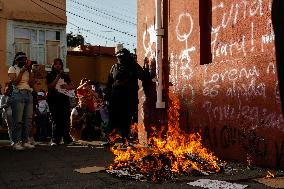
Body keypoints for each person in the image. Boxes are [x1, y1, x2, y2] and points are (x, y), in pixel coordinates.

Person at [105, 48, 149, 146]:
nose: (120, 59)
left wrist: (146, 67)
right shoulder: (114, 67)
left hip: (128, 97)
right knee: (113, 119)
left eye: (122, 57)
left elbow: (143, 77)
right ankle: (110, 140)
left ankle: (126, 140)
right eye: (118, 57)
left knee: (126, 119)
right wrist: (107, 97)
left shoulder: (133, 66)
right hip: (115, 97)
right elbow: (109, 83)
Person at [7, 52, 35, 150]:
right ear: (16, 60)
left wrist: (30, 71)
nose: (24, 60)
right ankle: (16, 142)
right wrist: (22, 71)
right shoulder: (13, 68)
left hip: (28, 94)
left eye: (25, 59)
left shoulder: (27, 70)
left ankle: (25, 141)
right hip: (18, 93)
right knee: (18, 120)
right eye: (21, 59)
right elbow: (14, 82)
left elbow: (31, 84)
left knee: (28, 120)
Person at [46, 58, 74, 146]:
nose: (58, 66)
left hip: (64, 100)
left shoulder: (65, 75)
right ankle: (55, 139)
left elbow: (72, 86)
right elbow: (50, 87)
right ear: (53, 66)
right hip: (54, 100)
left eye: (59, 64)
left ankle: (67, 139)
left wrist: (67, 86)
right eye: (56, 64)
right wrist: (57, 77)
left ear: (62, 65)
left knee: (65, 119)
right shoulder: (50, 75)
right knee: (56, 119)